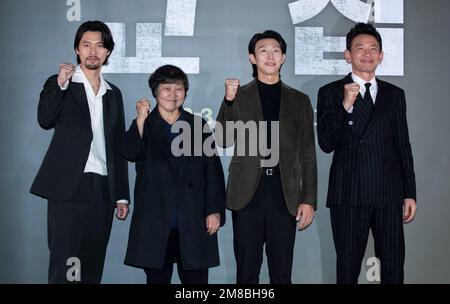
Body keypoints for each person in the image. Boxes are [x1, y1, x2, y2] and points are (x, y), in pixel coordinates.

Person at [30, 21, 130, 283]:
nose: (92, 51)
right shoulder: (61, 83)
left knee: (92, 262)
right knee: (66, 264)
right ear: (77, 49)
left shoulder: (113, 94)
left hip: (103, 188)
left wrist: (121, 195)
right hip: (69, 187)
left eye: (99, 45)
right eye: (86, 45)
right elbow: (45, 119)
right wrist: (61, 85)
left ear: (108, 51)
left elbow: (118, 147)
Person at [317, 23, 417, 284]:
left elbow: (402, 146)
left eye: (374, 49)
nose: (367, 54)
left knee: (393, 268)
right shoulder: (330, 93)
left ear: (381, 56)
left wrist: (409, 193)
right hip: (349, 193)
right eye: (359, 48)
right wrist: (345, 106)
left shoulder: (395, 95)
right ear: (348, 55)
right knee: (347, 270)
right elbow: (327, 143)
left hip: (388, 193)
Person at [215, 30, 317, 284]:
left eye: (275, 50)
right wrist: (228, 102)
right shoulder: (238, 96)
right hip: (247, 193)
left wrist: (309, 200)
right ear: (252, 58)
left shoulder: (300, 100)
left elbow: (307, 154)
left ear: (283, 58)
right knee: (247, 273)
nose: (270, 55)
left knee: (282, 273)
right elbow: (223, 139)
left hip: (285, 194)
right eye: (263, 50)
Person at [122, 64, 226, 284]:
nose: (172, 94)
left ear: (185, 93)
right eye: (166, 88)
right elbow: (129, 152)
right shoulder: (144, 125)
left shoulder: (198, 126)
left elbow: (213, 172)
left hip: (194, 220)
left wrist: (214, 210)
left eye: (178, 88)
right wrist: (140, 120)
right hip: (156, 221)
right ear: (155, 92)